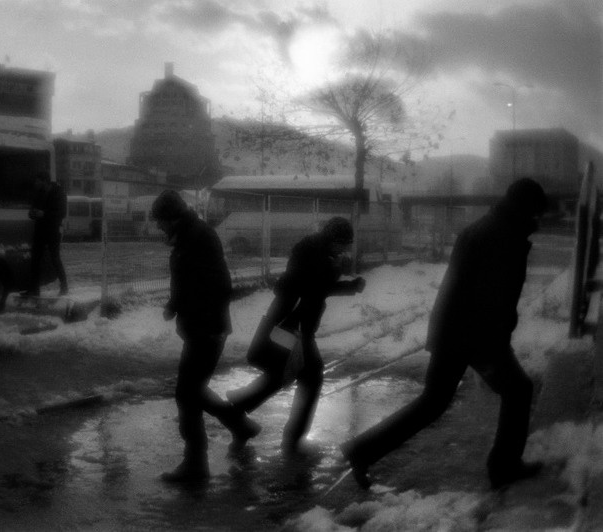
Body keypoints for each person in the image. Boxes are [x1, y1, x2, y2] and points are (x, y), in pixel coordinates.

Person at [340, 178, 548, 490]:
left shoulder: (491, 227)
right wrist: (498, 340)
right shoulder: (501, 235)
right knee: (518, 390)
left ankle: (362, 450)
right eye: (536, 212)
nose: (538, 218)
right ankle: (504, 466)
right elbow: (493, 296)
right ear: (526, 207)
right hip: (475, 336)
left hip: (457, 331)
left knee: (433, 403)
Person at [227, 217, 365, 457]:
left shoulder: (317, 253)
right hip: (292, 327)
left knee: (285, 374)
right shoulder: (315, 257)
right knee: (310, 378)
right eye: (342, 244)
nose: (344, 249)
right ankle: (292, 439)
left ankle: (241, 405)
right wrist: (346, 285)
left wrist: (346, 283)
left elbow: (314, 288)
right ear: (332, 240)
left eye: (346, 245)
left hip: (293, 326)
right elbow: (311, 289)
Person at [152, 189, 261, 483]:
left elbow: (215, 284)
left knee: (187, 395)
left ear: (172, 217)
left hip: (206, 328)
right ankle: (240, 426)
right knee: (194, 390)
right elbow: (187, 282)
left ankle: (196, 465)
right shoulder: (192, 235)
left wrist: (187, 309)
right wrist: (175, 307)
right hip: (203, 326)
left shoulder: (198, 238)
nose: (159, 228)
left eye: (161, 222)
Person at [27, 170, 68, 296]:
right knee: (35, 259)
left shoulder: (58, 192)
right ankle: (34, 289)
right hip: (40, 229)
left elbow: (61, 213)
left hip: (53, 230)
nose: (35, 183)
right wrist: (32, 213)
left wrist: (44, 214)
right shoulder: (38, 193)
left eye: (37, 180)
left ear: (44, 181)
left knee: (55, 257)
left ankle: (64, 285)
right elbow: (32, 210)